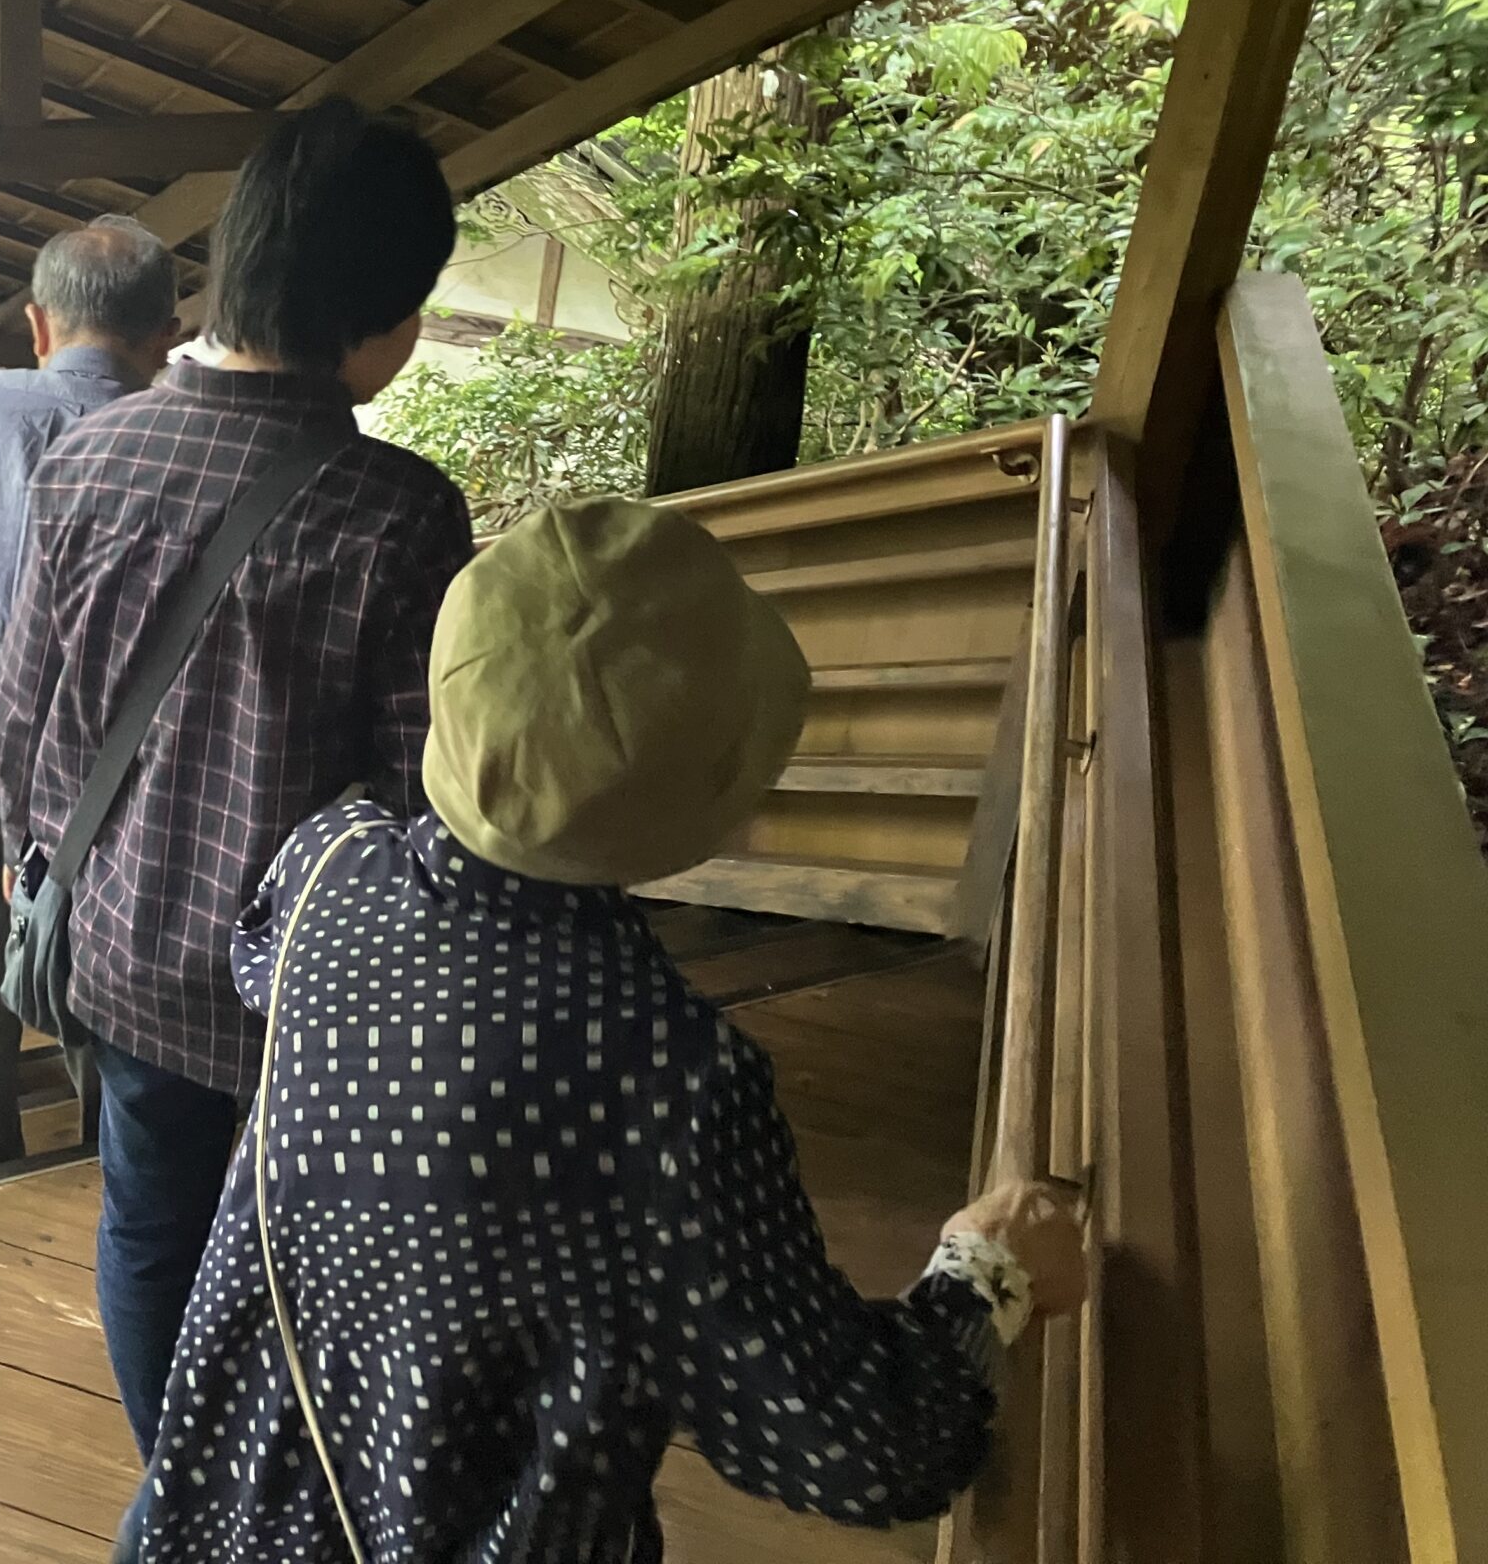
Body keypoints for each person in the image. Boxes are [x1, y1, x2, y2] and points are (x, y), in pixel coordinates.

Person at [116, 498, 1089, 1562]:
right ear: (715, 792)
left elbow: (262, 972)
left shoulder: (326, 871)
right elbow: (859, 1445)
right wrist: (990, 1267)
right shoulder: (666, 1081)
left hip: (208, 1521)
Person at [0, 98, 477, 1457]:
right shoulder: (400, 512)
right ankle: (280, 1484)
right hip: (304, 994)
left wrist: (45, 872)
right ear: (376, 317)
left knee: (148, 1225)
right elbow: (418, 798)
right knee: (299, 1247)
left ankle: (180, 1479)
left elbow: (22, 723)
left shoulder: (85, 457)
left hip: (126, 953)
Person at [0, 216, 179, 1183]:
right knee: (100, 962)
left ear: (39, 325)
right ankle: (112, 1175)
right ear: (162, 334)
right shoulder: (174, 430)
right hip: (102, 745)